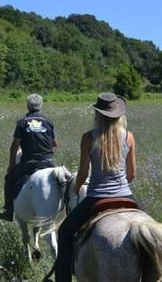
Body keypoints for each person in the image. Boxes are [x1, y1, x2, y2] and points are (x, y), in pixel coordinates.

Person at [53, 92, 138, 282]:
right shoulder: (129, 137)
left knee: (65, 233)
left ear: (98, 114)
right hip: (126, 195)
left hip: (96, 198)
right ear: (119, 115)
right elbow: (131, 174)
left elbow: (83, 173)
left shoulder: (88, 138)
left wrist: (77, 187)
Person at [0, 93, 58, 221]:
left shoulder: (22, 122)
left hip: (30, 163)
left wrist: (11, 165)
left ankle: (8, 211)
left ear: (28, 106)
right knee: (63, 182)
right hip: (49, 162)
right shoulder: (48, 121)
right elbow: (55, 143)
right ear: (41, 106)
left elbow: (14, 146)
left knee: (9, 179)